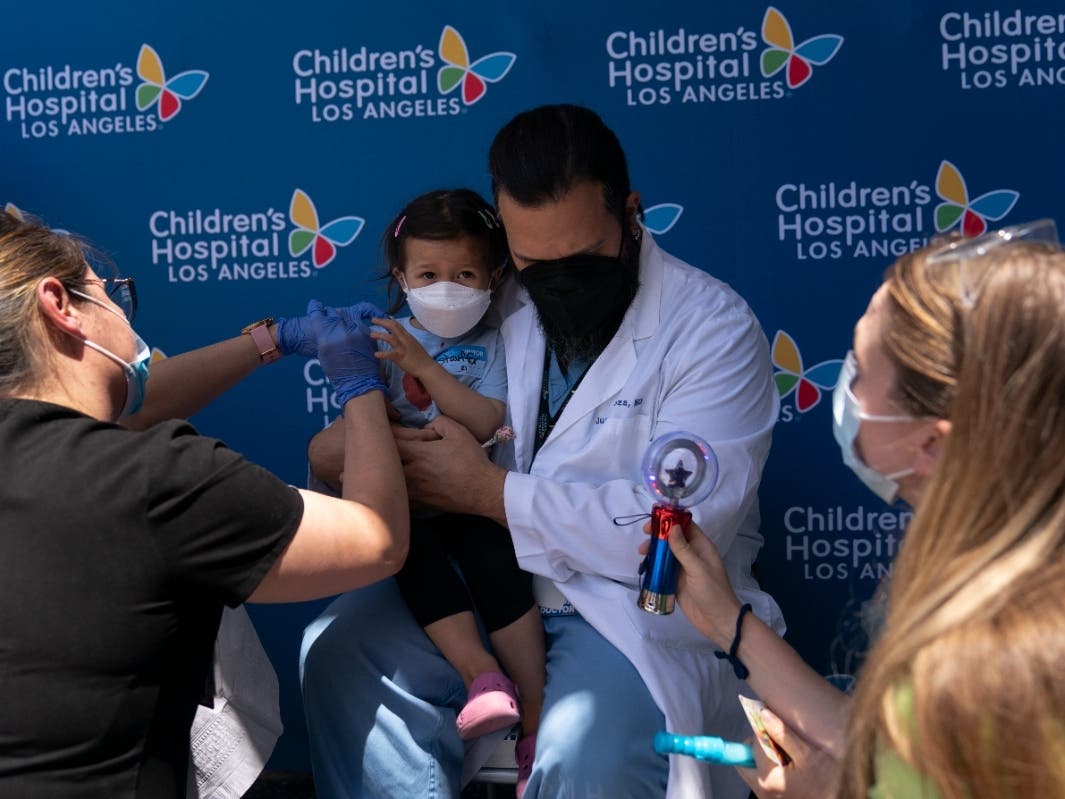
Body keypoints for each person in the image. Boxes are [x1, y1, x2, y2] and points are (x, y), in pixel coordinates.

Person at [300, 103, 782, 799]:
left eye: (582, 258)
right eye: (530, 263)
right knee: (340, 651)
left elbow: (681, 541)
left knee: (585, 752)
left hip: (627, 606)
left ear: (631, 211)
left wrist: (488, 493)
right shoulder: (486, 296)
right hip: (481, 576)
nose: (554, 282)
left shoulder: (709, 328)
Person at [0, 209, 409, 799]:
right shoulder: (155, 480)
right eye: (111, 294)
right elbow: (376, 539)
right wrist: (360, 388)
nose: (122, 313)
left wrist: (270, 342)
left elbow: (124, 406)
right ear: (60, 306)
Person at [656, 220, 1065, 799]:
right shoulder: (1006, 587)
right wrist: (729, 621)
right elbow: (887, 746)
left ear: (932, 444)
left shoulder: (990, 657)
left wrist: (832, 793)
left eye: (864, 373)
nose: (843, 386)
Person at [307, 189, 546, 789]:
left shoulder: (498, 340)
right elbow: (351, 436)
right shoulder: (383, 339)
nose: (448, 287)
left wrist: (426, 368)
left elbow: (488, 422)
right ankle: (483, 679)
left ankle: (538, 726)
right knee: (408, 556)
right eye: (430, 275)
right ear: (402, 278)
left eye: (465, 274)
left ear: (494, 276)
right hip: (408, 509)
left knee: (496, 564)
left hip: (475, 500)